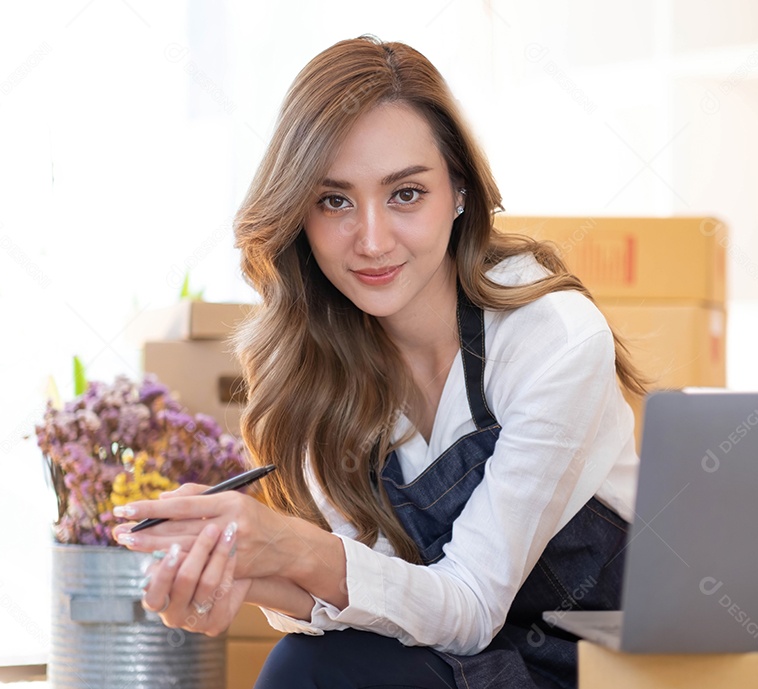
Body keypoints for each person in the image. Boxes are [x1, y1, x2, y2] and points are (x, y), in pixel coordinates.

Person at [112, 35, 649, 689]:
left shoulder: (548, 338)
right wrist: (247, 568)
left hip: (601, 671)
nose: (370, 240)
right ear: (299, 215)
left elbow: (471, 606)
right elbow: (389, 596)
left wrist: (293, 547)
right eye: (335, 200)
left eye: (405, 194)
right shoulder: (318, 367)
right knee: (306, 663)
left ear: (458, 191)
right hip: (453, 659)